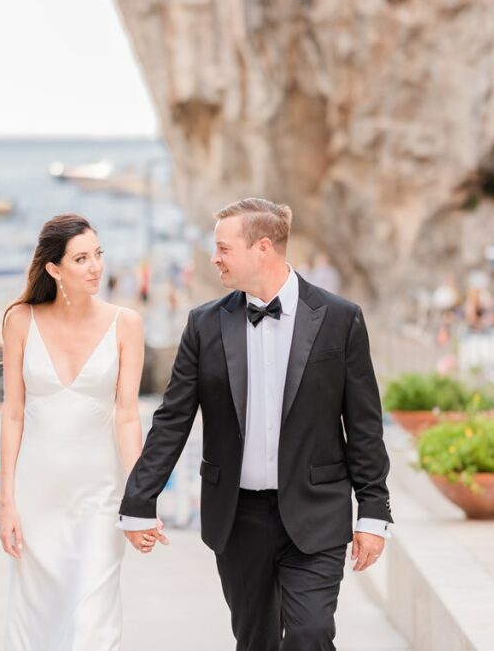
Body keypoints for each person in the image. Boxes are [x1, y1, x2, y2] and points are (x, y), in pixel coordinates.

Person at [118, 198, 392, 650]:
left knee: (311, 633)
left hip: (316, 510)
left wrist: (374, 512)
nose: (214, 258)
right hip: (237, 517)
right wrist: (139, 500)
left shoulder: (341, 319)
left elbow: (364, 424)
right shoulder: (204, 325)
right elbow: (173, 420)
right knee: (255, 640)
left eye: (224, 248)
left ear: (262, 247)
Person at [0, 214, 153, 650]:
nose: (95, 267)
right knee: (37, 625)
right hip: (36, 497)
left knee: (93, 624)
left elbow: (127, 415)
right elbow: (13, 413)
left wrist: (140, 496)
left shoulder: (127, 324)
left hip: (100, 494)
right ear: (54, 268)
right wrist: (7, 500)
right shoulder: (19, 320)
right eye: (81, 258)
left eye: (98, 255)